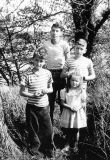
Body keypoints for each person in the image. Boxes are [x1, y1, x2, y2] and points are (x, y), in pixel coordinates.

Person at [19, 47, 55, 158]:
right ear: (32, 60)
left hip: (44, 106)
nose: (38, 63)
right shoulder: (27, 74)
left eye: (41, 61)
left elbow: (51, 89)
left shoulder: (47, 73)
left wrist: (46, 91)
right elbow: (22, 92)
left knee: (48, 128)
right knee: (33, 129)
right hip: (32, 107)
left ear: (44, 62)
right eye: (36, 60)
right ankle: (35, 149)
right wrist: (32, 95)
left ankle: (49, 149)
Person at [44, 22, 70, 123]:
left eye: (57, 31)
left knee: (63, 100)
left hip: (62, 74)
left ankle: (64, 125)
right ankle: (50, 125)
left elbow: (68, 61)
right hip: (49, 74)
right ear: (50, 32)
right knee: (50, 100)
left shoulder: (64, 44)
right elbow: (42, 59)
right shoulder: (46, 44)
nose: (54, 33)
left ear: (60, 33)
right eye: (53, 30)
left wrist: (67, 73)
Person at [60, 73, 87, 153]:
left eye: (76, 81)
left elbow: (83, 103)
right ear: (69, 80)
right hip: (68, 111)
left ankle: (74, 145)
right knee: (68, 129)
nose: (74, 83)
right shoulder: (64, 91)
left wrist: (78, 107)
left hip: (78, 113)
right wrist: (70, 107)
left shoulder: (81, 91)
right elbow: (62, 103)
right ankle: (67, 144)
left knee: (76, 129)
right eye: (72, 80)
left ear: (80, 82)